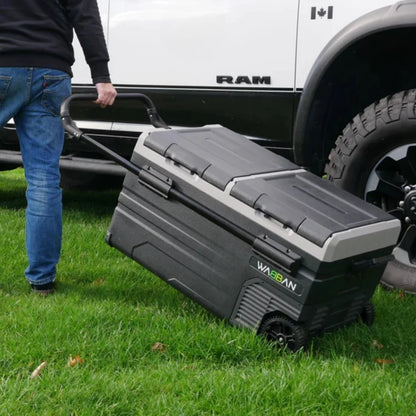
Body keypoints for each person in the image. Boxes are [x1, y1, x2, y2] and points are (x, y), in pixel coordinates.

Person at [0, 0, 117, 294]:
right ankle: (42, 281)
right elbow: (86, 16)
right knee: (43, 179)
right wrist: (101, 77)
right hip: (51, 74)